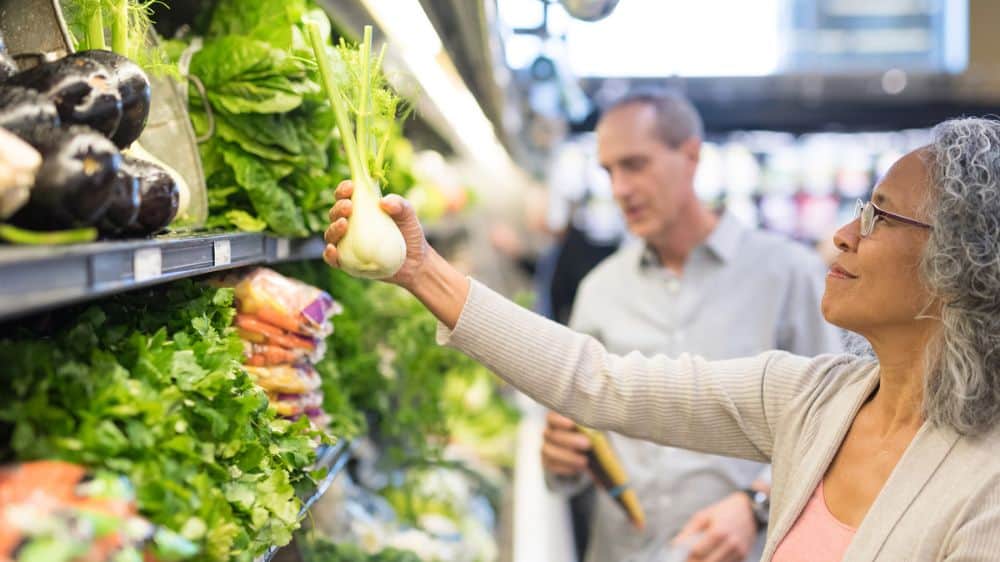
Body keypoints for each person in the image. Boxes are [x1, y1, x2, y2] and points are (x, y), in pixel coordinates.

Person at [324, 117, 1000, 561]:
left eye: (879, 216)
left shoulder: (985, 487)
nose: (844, 235)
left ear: (961, 260)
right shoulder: (814, 398)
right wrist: (422, 271)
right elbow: (601, 382)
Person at [540, 91, 842, 562]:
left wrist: (757, 503)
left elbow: (836, 428)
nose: (619, 188)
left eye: (634, 165)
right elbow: (579, 440)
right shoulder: (599, 290)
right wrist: (562, 459)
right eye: (609, 171)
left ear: (691, 157)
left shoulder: (788, 274)